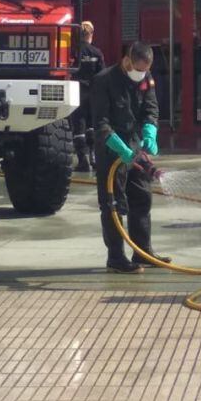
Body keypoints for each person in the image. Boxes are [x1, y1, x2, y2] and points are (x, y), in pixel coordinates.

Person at [91, 41, 171, 273]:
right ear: (126, 60)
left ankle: (143, 252)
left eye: (145, 69)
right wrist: (120, 149)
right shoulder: (103, 81)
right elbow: (101, 123)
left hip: (136, 147)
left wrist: (150, 131)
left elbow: (150, 108)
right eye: (138, 68)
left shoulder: (146, 78)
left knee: (142, 198)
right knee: (113, 204)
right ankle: (116, 258)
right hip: (111, 149)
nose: (141, 74)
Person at [71, 21, 105, 172]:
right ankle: (94, 158)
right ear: (91, 34)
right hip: (94, 92)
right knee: (92, 125)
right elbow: (102, 75)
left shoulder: (74, 52)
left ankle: (82, 160)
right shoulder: (97, 53)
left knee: (79, 126)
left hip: (77, 91)